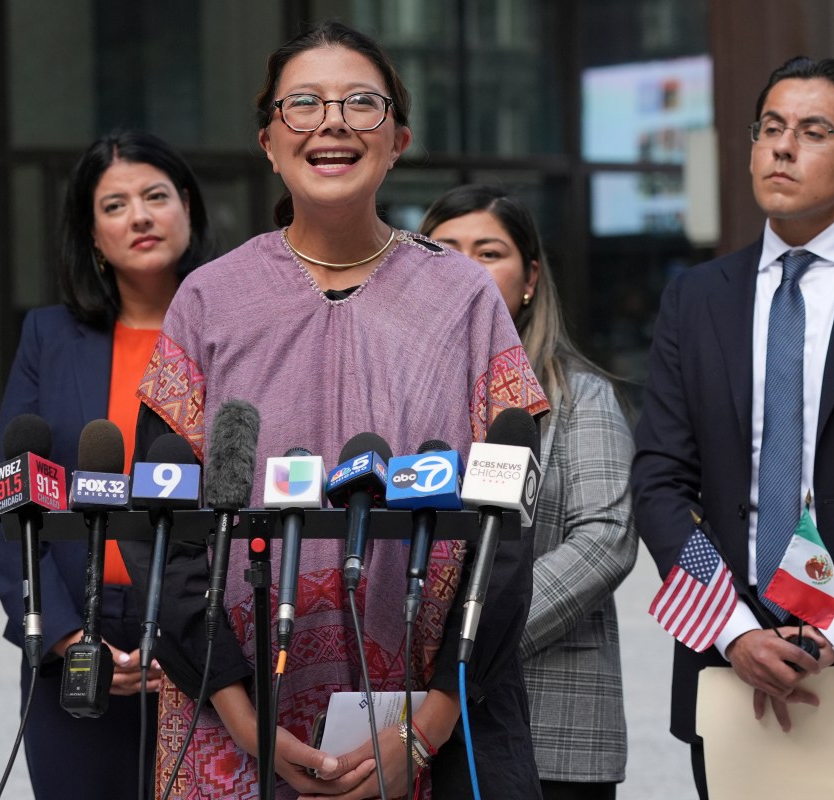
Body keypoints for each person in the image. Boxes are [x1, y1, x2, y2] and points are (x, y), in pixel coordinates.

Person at [122, 22, 549, 800]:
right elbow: (164, 526)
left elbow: (507, 533)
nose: (333, 122)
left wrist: (429, 726)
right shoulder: (208, 300)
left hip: (425, 722)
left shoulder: (462, 300)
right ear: (268, 141)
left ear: (398, 139)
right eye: (304, 105)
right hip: (233, 717)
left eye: (361, 102)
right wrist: (245, 717)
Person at [630, 56, 834, 799]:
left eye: (812, 132)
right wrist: (733, 628)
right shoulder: (698, 299)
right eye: (770, 129)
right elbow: (658, 481)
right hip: (728, 658)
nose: (782, 147)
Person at [0, 130, 216, 799]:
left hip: (204, 631)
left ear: (189, 210)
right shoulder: (49, 337)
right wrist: (62, 636)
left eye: (156, 196)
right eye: (114, 205)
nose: (139, 216)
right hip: (76, 636)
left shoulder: (235, 331)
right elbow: (13, 498)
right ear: (91, 236)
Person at [420, 185, 636, 800]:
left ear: (530, 278)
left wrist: (469, 639)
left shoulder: (579, 397)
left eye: (488, 252)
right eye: (445, 250)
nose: (465, 267)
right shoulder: (395, 397)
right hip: (405, 720)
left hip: (552, 717)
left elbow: (606, 539)